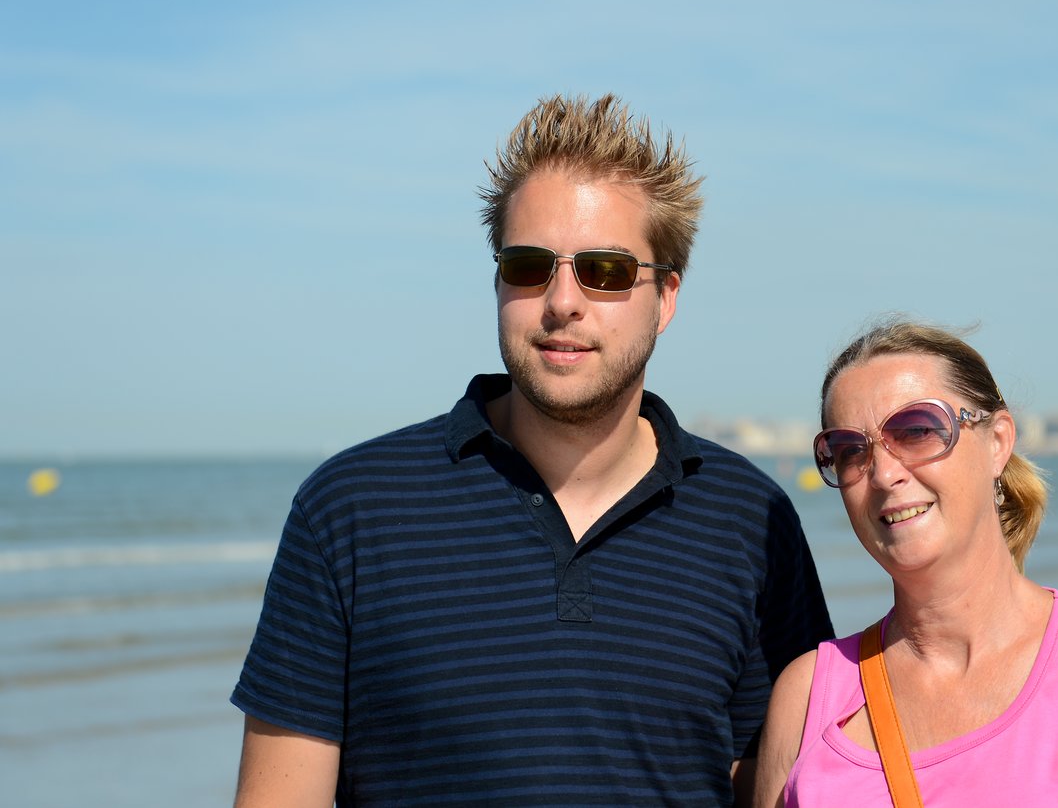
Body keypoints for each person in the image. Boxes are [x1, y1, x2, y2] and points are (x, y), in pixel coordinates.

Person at [230, 93, 833, 807]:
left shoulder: (751, 521)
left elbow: (781, 786)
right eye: (528, 265)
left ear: (666, 297)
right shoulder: (350, 510)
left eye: (605, 271)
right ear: (497, 280)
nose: (562, 301)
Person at [753, 320, 1058, 807]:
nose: (884, 473)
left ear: (997, 442)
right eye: (849, 451)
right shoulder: (806, 698)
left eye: (917, 430)